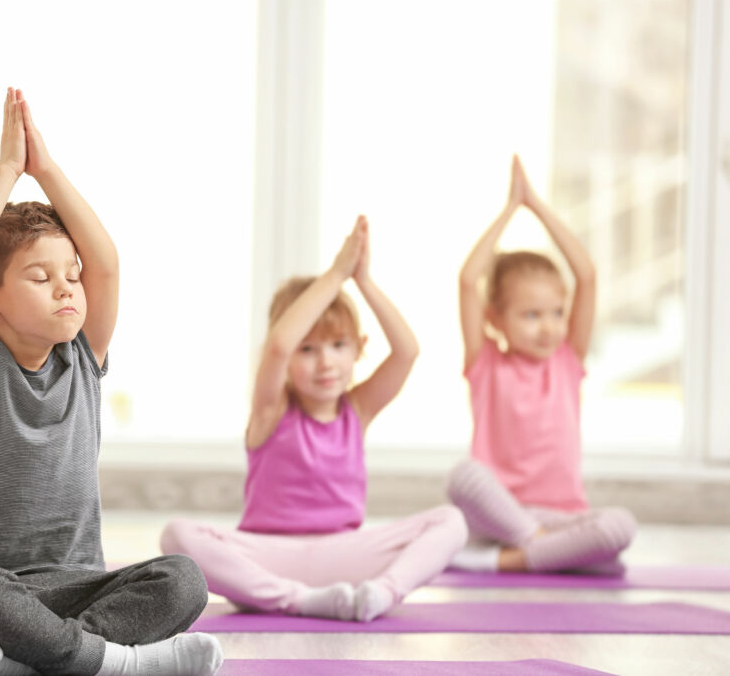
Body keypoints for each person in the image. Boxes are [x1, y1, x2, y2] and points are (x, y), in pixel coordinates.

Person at [0, 88, 223, 676]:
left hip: (78, 592)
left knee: (183, 580)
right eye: (40, 276)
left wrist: (49, 170)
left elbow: (106, 262)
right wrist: (10, 169)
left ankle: (46, 660)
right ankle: (116, 664)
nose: (67, 288)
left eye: (71, 276)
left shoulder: (83, 357)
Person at [161, 216, 467, 621]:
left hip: (345, 556)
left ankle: (382, 593)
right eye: (308, 350)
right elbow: (277, 346)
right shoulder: (271, 410)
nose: (326, 363)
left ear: (358, 348)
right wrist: (336, 274)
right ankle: (296, 599)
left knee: (452, 522)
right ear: (289, 358)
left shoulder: (357, 409)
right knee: (176, 535)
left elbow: (407, 351)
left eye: (338, 345)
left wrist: (364, 281)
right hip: (269, 558)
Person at [447, 155, 637, 575]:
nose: (548, 328)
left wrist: (536, 205)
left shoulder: (568, 360)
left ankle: (507, 560)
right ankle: (549, 553)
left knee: (619, 527)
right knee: (463, 477)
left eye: (556, 313)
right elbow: (467, 280)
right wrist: (509, 211)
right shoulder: (486, 364)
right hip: (500, 514)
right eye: (531, 316)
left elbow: (586, 274)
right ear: (495, 319)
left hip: (560, 515)